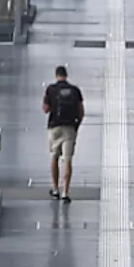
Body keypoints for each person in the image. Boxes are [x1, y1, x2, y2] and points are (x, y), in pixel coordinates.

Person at [43, 66, 84, 202]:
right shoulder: (75, 90)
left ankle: (55, 189)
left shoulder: (51, 89)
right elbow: (81, 111)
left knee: (54, 157)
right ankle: (66, 192)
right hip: (70, 128)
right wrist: (76, 126)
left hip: (55, 127)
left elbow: (45, 109)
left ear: (56, 75)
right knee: (67, 160)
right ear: (66, 75)